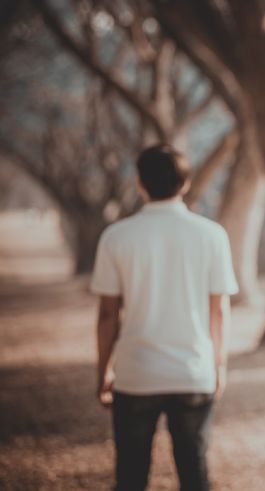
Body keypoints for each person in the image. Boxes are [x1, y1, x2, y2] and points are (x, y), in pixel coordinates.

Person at [90, 144, 239, 491]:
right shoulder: (211, 235)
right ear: (185, 183)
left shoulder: (117, 237)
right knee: (194, 473)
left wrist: (103, 372)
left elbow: (108, 314)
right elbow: (219, 310)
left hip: (135, 374)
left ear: (139, 183)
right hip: (193, 372)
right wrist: (219, 365)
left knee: (130, 475)